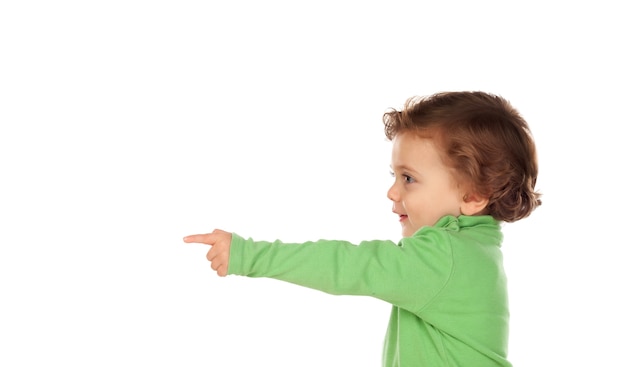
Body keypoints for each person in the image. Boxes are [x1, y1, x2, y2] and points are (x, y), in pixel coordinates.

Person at [184, 91, 541, 366]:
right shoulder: (473, 252)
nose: (392, 191)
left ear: (474, 195)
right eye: (394, 175)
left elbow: (349, 266)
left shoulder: (442, 256)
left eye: (409, 178)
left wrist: (249, 254)